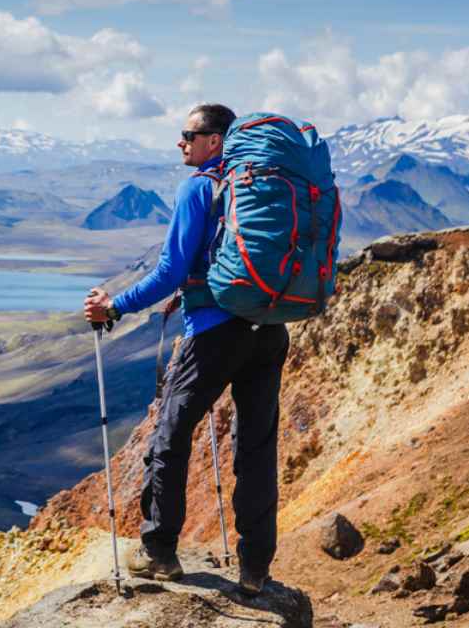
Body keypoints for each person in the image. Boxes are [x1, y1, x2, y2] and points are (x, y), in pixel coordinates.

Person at [82, 103, 290, 597]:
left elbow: (170, 270)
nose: (181, 143)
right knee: (257, 449)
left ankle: (158, 552)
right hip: (270, 328)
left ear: (215, 140)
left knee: (170, 438)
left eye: (188, 135)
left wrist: (114, 306)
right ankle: (255, 568)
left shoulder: (200, 186)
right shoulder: (260, 184)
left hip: (217, 332)